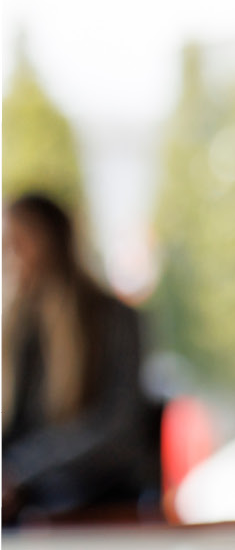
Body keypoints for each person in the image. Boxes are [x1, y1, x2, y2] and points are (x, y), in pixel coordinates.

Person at [3, 193, 159, 526]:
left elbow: (118, 432)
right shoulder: (19, 328)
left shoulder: (112, 320)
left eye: (18, 242)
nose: (8, 256)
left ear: (51, 243)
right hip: (28, 502)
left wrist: (21, 472)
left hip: (90, 503)